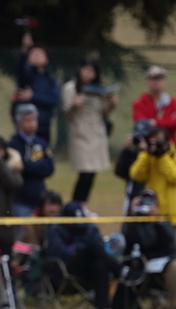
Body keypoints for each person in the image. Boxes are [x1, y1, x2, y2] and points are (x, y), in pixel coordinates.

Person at [123, 189, 176, 309]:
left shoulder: (162, 220)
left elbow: (169, 239)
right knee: (174, 266)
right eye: (144, 201)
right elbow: (143, 241)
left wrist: (157, 221)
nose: (147, 205)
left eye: (150, 202)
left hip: (168, 257)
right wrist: (132, 215)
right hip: (150, 263)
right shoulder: (135, 223)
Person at [44, 200, 121, 309]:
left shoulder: (89, 228)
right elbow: (59, 253)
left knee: (101, 265)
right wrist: (81, 251)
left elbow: (100, 245)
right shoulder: (56, 229)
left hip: (89, 269)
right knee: (92, 248)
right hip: (67, 268)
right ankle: (120, 271)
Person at [62, 56, 117, 208]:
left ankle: (83, 205)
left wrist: (111, 104)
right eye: (86, 70)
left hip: (96, 134)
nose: (89, 74)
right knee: (85, 172)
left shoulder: (98, 89)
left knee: (92, 173)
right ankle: (75, 207)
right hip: (80, 134)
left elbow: (103, 112)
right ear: (80, 70)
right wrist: (75, 105)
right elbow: (66, 114)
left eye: (92, 71)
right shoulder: (70, 88)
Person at [129, 126, 176, 254]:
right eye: (153, 142)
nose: (156, 145)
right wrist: (146, 154)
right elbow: (136, 174)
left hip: (175, 214)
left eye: (160, 142)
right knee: (158, 253)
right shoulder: (149, 158)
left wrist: (163, 156)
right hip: (155, 214)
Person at [8, 104, 55, 219]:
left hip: (40, 198)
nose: (31, 124)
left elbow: (49, 168)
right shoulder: (13, 144)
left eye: (34, 120)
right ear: (18, 123)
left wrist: (31, 165)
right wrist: (38, 165)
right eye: (27, 121)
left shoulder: (42, 142)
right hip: (21, 199)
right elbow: (19, 167)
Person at [11, 33, 60, 142]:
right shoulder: (26, 76)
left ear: (46, 58)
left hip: (43, 123)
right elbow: (19, 68)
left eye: (40, 53)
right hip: (24, 124)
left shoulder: (51, 78)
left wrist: (33, 96)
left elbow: (55, 99)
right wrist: (24, 49)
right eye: (33, 54)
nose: (36, 56)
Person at [132, 65, 176, 146]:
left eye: (159, 78)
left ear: (165, 81)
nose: (156, 82)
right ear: (147, 81)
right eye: (152, 78)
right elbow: (141, 124)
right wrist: (167, 121)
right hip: (147, 147)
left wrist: (155, 122)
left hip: (169, 146)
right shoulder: (139, 103)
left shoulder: (173, 102)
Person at [114, 119, 152, 214]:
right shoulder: (131, 155)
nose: (140, 141)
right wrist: (126, 150)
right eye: (137, 137)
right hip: (132, 199)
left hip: (150, 199)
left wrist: (146, 151)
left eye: (144, 137)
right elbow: (120, 172)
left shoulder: (154, 156)